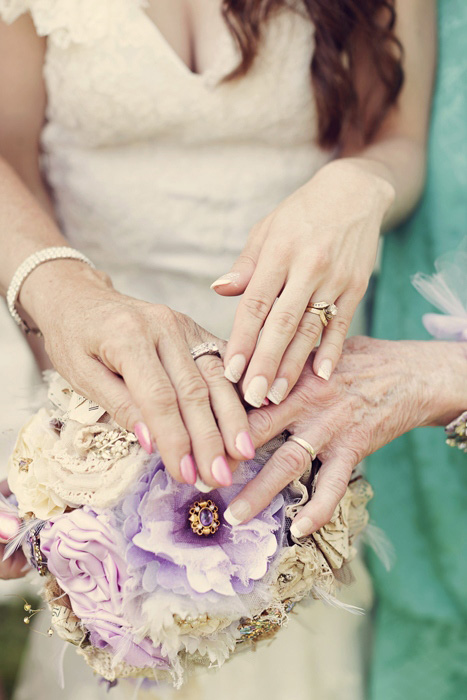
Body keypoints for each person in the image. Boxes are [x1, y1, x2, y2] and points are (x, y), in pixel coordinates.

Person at [0, 1, 434, 699]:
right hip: (102, 392)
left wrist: (361, 182)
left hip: (294, 403)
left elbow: (400, 135)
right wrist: (58, 301)